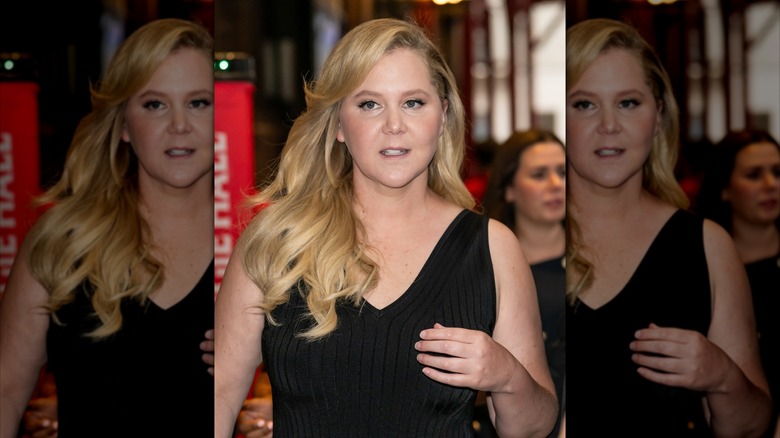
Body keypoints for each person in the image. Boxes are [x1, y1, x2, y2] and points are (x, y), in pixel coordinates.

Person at [215, 17, 558, 437]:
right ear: (338, 125)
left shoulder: (492, 248)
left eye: (413, 102)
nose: (394, 125)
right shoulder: (276, 239)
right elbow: (221, 396)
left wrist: (507, 376)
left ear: (443, 114)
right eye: (369, 104)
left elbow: (534, 428)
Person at [0, 18, 215, 437]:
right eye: (154, 104)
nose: (179, 125)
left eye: (199, 102)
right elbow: (6, 393)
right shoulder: (63, 243)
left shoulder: (256, 242)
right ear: (122, 126)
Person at [565, 18, 771, 436]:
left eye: (628, 103)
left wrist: (722, 375)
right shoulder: (513, 242)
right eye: (584, 104)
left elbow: (750, 428)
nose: (609, 125)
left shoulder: (706, 246)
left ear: (658, 115)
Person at [694, 129, 780, 438]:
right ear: (725, 188)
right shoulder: (704, 266)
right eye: (755, 175)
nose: (771, 185)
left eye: (777, 172)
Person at [482, 128, 566, 438]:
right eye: (540, 175)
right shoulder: (485, 262)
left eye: (562, 172)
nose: (556, 185)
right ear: (509, 189)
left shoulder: (594, 257)